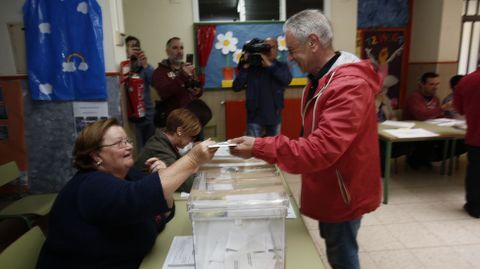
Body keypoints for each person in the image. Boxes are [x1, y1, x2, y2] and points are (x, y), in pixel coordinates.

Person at [230, 9, 382, 269]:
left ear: (313, 42)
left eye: (292, 50)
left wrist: (259, 146)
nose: (289, 57)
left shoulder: (348, 85)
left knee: (342, 253)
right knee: (335, 243)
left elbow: (321, 148)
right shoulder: (322, 78)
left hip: (343, 189)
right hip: (331, 182)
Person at [36, 119, 216, 269]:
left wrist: (161, 180)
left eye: (128, 141)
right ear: (95, 155)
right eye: (118, 143)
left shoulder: (128, 175)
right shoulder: (91, 185)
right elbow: (138, 200)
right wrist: (192, 160)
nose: (128, 147)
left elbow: (157, 208)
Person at [232, 37, 292, 137]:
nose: (268, 50)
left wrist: (269, 65)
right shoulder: (252, 67)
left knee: (273, 149)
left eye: (271, 47)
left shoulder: (281, 66)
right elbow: (236, 87)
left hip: (274, 117)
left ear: (277, 49)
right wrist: (245, 67)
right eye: (266, 47)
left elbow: (286, 80)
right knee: (253, 149)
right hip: (255, 117)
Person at [135, 109, 202, 193]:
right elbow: (188, 185)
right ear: (179, 131)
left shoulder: (164, 142)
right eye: (191, 137)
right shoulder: (160, 148)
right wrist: (196, 158)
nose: (191, 141)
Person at [151, 37, 203, 127]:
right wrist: (182, 76)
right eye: (175, 48)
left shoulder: (188, 68)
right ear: (167, 51)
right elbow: (164, 92)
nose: (179, 51)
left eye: (181, 48)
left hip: (193, 117)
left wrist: (198, 90)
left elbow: (198, 89)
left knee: (199, 141)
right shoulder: (159, 72)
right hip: (174, 121)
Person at [403, 72, 449, 168]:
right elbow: (421, 115)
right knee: (428, 143)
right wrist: (443, 108)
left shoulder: (435, 98)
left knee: (450, 141)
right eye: (431, 84)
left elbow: (437, 115)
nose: (435, 87)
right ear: (422, 85)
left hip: (431, 129)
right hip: (413, 131)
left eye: (437, 84)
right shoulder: (414, 97)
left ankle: (427, 158)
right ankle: (416, 160)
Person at [454, 66, 480, 218]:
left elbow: (460, 109)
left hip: (476, 136)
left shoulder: (466, 81)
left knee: (475, 174)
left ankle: (475, 207)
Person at [120, 36, 156, 148]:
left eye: (137, 46)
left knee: (150, 147)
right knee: (137, 148)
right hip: (131, 116)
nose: (135, 49)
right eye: (131, 46)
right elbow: (124, 82)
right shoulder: (123, 65)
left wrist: (145, 65)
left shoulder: (143, 66)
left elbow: (153, 82)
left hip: (148, 114)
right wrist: (128, 59)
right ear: (125, 49)